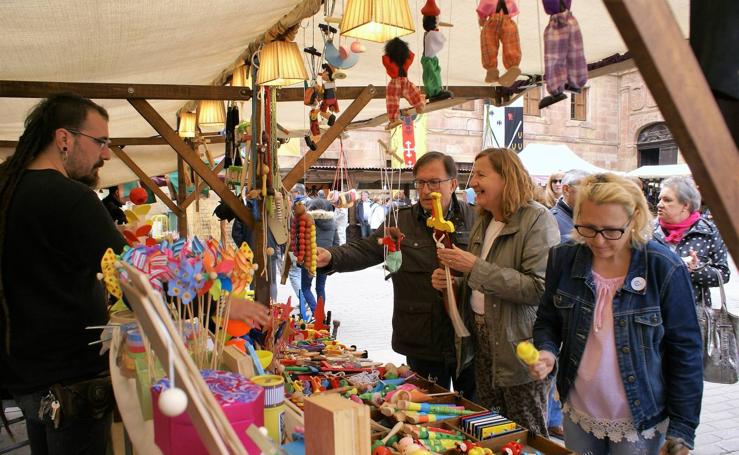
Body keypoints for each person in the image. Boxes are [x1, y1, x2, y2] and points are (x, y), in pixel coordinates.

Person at [530, 173, 703, 455]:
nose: (598, 241)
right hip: (579, 410)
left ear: (633, 220)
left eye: (611, 230)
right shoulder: (563, 257)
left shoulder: (664, 267)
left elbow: (686, 352)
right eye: (587, 228)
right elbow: (547, 320)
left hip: (640, 417)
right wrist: (547, 351)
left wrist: (682, 430)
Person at [0, 94, 127, 454]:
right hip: (72, 382)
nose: (106, 153)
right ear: (64, 139)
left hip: (25, 378)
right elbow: (132, 276)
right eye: (100, 141)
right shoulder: (72, 199)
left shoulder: (8, 188)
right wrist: (215, 303)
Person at [317, 152, 477, 396]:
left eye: (434, 182)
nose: (425, 190)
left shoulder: (476, 219)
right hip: (421, 336)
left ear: (453, 183)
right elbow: (367, 248)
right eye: (420, 182)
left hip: (468, 336)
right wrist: (331, 257)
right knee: (427, 406)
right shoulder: (399, 222)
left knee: (474, 411)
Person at [432, 148, 560, 435]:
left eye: (480, 174)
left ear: (507, 178)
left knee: (528, 433)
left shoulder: (537, 220)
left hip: (519, 348)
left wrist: (474, 268)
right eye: (472, 174)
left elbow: (539, 288)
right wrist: (454, 284)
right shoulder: (485, 219)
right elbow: (481, 284)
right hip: (483, 344)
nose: (472, 182)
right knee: (494, 430)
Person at [654, 176, 730, 308]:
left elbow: (723, 275)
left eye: (667, 200)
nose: (659, 204)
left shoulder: (709, 232)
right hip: (651, 315)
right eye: (660, 199)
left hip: (692, 314)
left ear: (685, 205)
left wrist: (695, 270)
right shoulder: (647, 230)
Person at [301, 198, 340, 314]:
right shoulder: (333, 222)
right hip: (325, 259)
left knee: (305, 287)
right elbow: (336, 243)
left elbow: (301, 241)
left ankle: (316, 312)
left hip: (309, 258)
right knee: (320, 287)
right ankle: (320, 314)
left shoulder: (307, 221)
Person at [551, 169, 591, 242]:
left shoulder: (591, 216)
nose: (590, 194)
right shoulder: (551, 220)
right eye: (585, 188)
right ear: (566, 190)